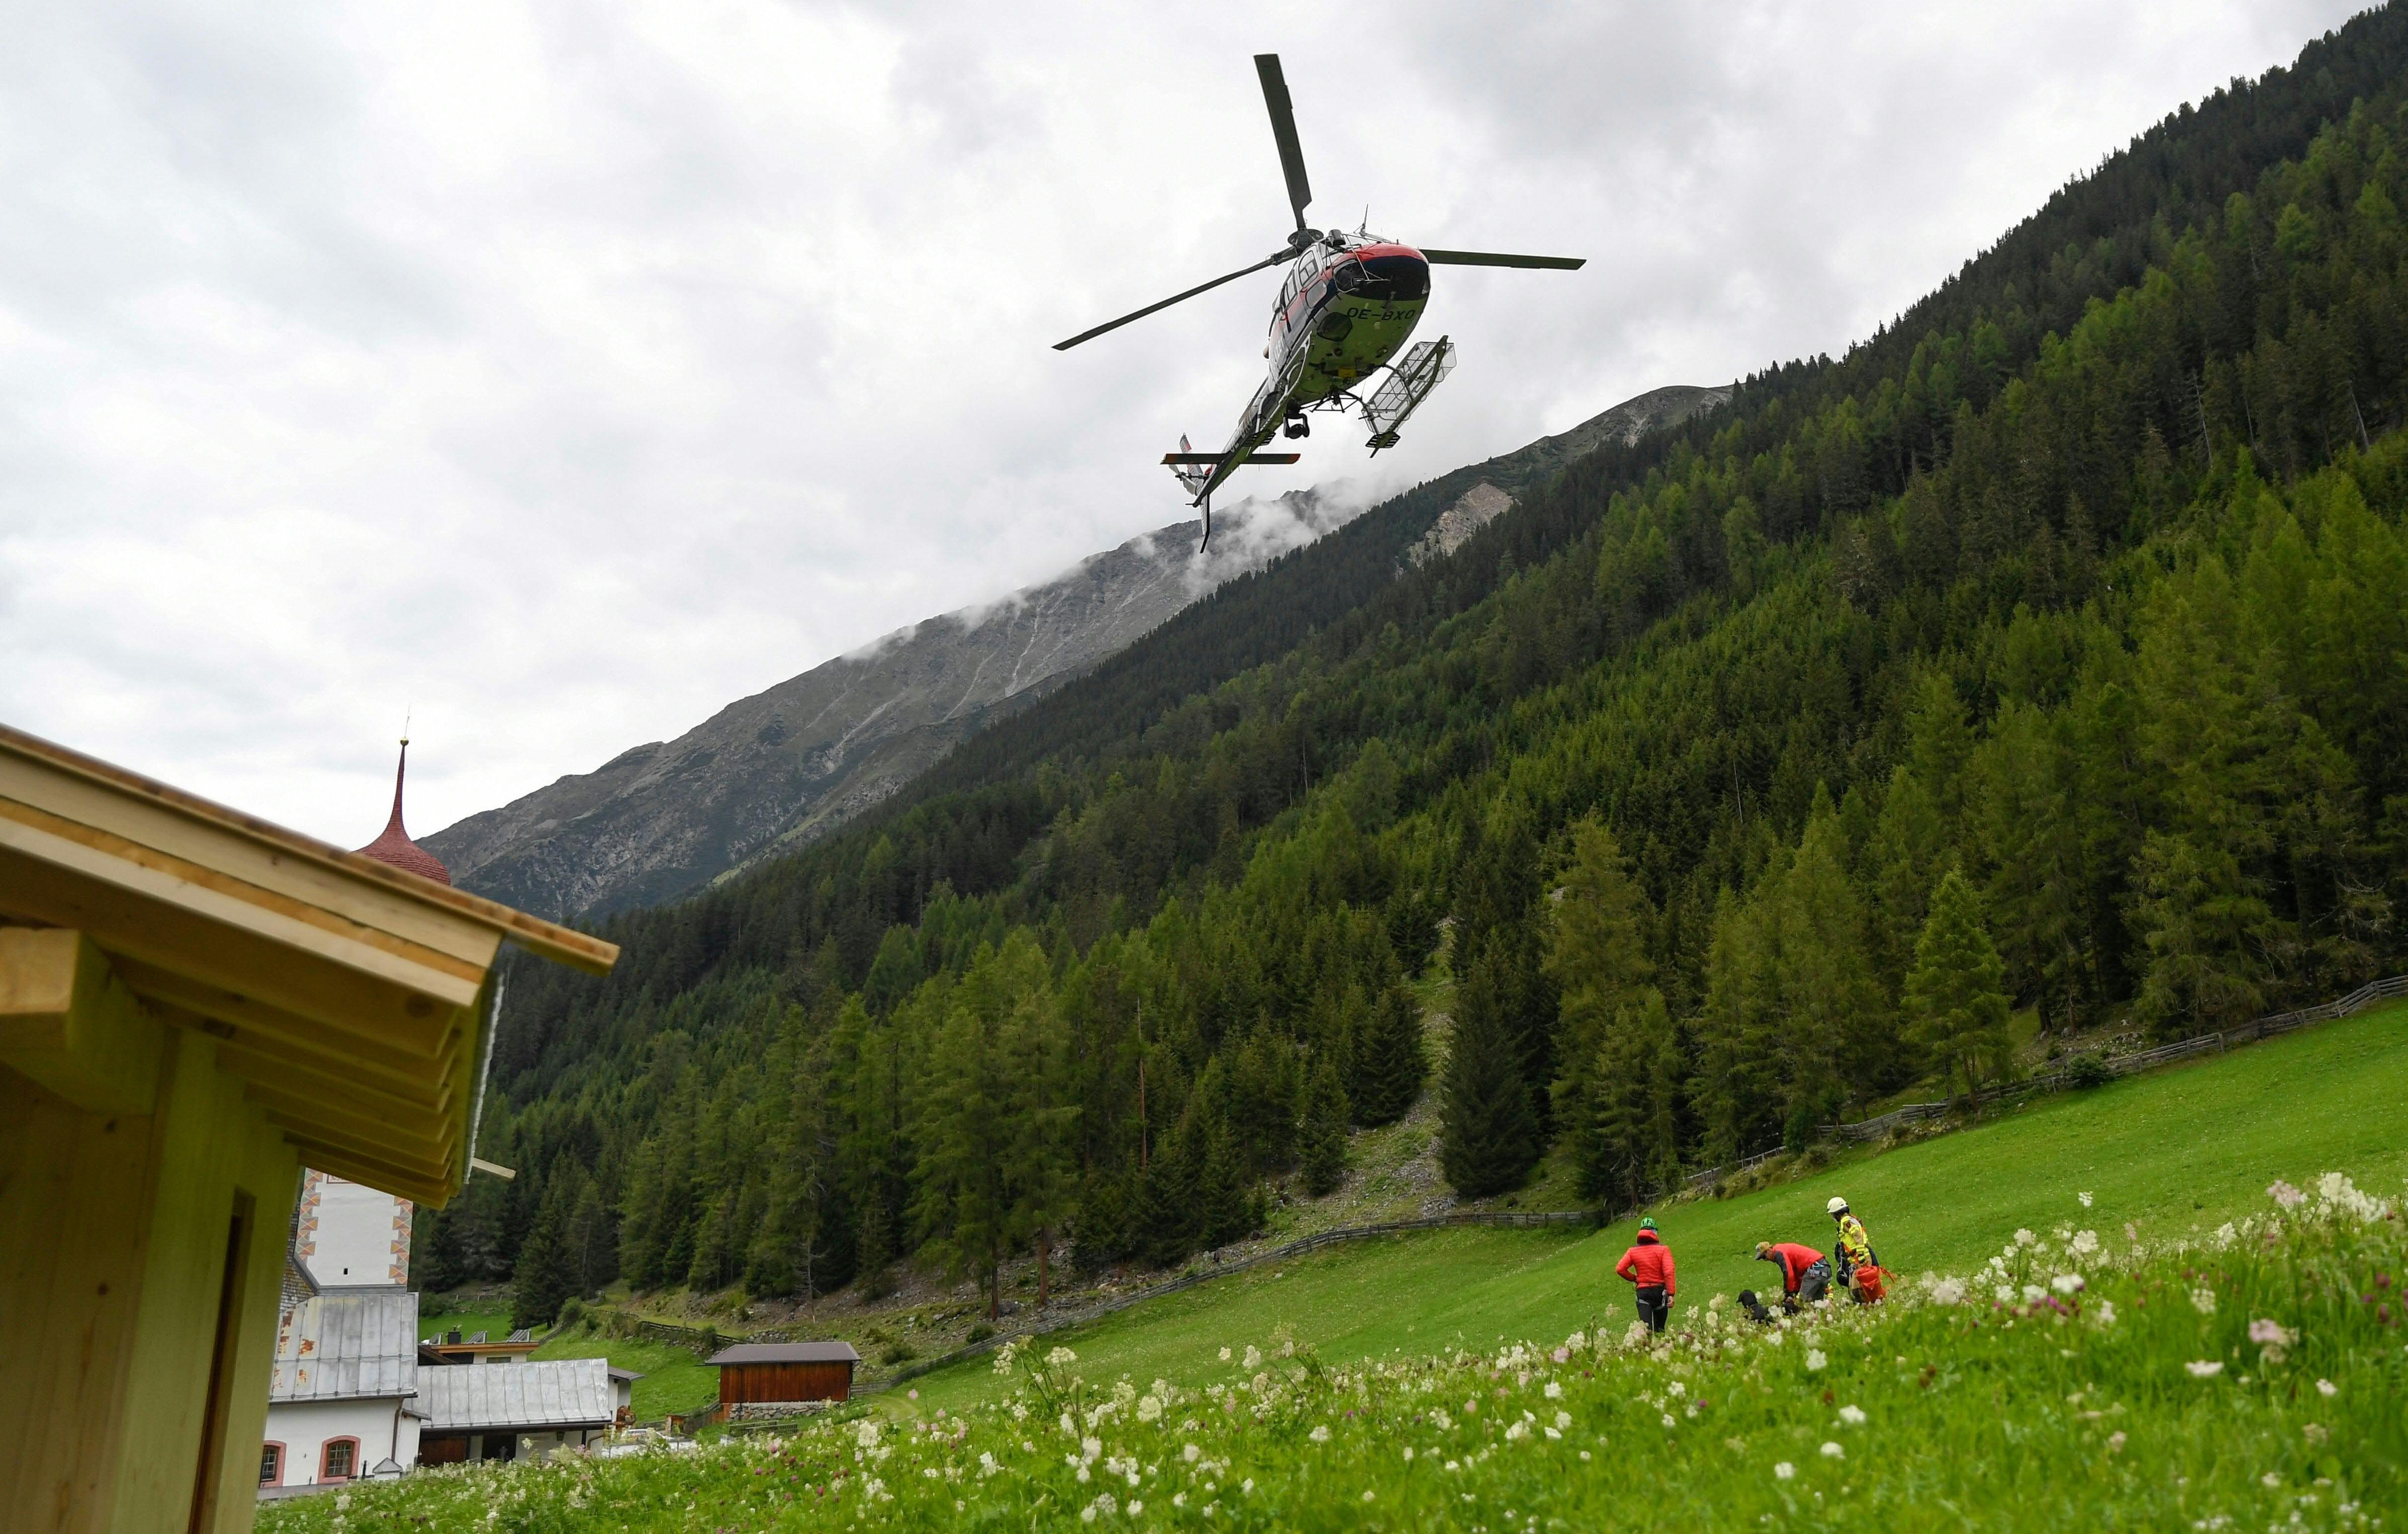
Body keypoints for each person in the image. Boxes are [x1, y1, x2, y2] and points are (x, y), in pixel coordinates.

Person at [1615, 1217, 1677, 1333]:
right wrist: (1671, 1294)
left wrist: (1634, 1278)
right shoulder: (1663, 1250)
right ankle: (1661, 1349)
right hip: (1660, 1293)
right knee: (1660, 1330)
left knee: (1645, 1331)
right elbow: (1669, 1271)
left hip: (1643, 1293)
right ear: (1654, 1232)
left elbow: (1620, 1269)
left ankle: (1646, 1349)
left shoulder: (1632, 1251)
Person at [1827, 1196, 1885, 1303]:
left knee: (1860, 1289)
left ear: (1837, 1213)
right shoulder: (1850, 1219)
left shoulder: (1846, 1221)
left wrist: (1861, 1256)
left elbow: (1858, 1236)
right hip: (1856, 1259)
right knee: (1856, 1289)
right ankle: (1871, 1304)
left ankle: (1872, 1305)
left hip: (1860, 1258)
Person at [1755, 1239, 1832, 1310]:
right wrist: (1792, 1294)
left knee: (1801, 1304)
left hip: (1814, 1271)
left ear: (1769, 1250)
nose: (1766, 1260)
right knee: (1817, 1305)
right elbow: (1796, 1277)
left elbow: (1789, 1275)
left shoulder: (1778, 1253)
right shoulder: (1784, 1249)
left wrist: (1786, 1295)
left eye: (1764, 1257)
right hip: (1824, 1268)